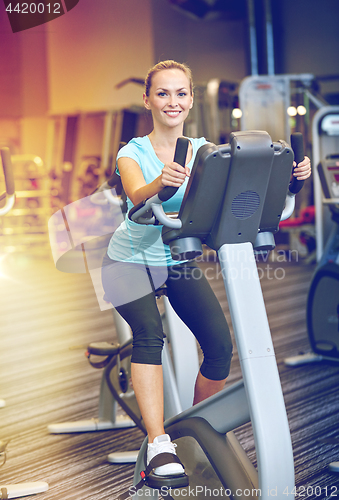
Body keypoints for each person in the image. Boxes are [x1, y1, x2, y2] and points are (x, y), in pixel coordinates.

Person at [101, 60, 312, 478]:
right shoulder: (133, 152)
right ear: (147, 100)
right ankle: (160, 443)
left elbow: (240, 191)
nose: (172, 101)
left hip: (174, 261)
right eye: (163, 93)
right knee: (150, 335)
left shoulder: (203, 151)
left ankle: (194, 431)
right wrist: (161, 183)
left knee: (219, 348)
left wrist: (289, 181)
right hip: (125, 262)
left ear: (191, 100)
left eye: (181, 93)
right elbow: (136, 195)